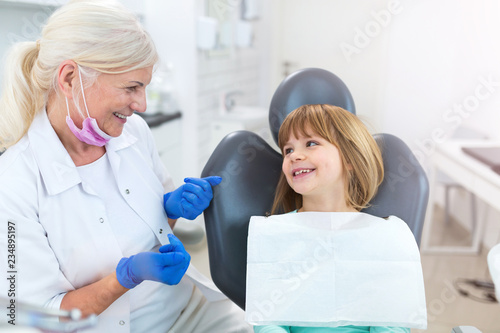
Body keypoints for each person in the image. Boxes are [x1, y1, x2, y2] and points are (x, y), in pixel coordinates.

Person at [0, 1, 251, 332]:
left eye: (145, 86)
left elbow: (160, 232)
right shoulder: (14, 184)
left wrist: (171, 208)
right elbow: (33, 317)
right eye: (131, 87)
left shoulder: (131, 133)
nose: (142, 105)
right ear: (70, 78)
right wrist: (124, 277)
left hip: (188, 310)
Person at [252, 104, 416, 333]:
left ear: (350, 158)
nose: (294, 156)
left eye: (311, 143)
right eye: (288, 150)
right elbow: (269, 321)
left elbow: (390, 323)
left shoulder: (382, 238)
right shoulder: (277, 234)